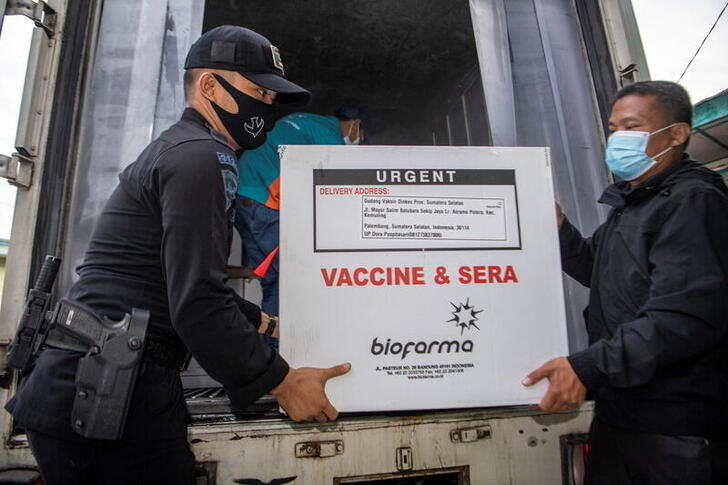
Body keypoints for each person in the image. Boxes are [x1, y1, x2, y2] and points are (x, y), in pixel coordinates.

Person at [6, 25, 350, 485]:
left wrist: (265, 323)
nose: (266, 110)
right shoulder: (200, 157)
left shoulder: (182, 150)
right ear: (210, 86)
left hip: (103, 384)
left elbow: (172, 279)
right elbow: (198, 301)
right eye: (258, 93)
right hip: (104, 394)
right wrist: (284, 382)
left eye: (272, 99)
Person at [523, 81, 728, 484]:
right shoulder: (634, 203)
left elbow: (681, 318)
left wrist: (587, 366)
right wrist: (560, 229)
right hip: (621, 412)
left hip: (675, 425)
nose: (617, 139)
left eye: (631, 127)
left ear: (676, 134)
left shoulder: (692, 201)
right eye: (614, 129)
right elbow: (595, 269)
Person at [235, 106, 372, 321]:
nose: (358, 144)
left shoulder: (308, 121)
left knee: (277, 284)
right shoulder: (331, 138)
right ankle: (295, 347)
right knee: (298, 282)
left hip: (244, 199)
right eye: (362, 139)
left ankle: (271, 347)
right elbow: (338, 193)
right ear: (354, 124)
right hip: (264, 203)